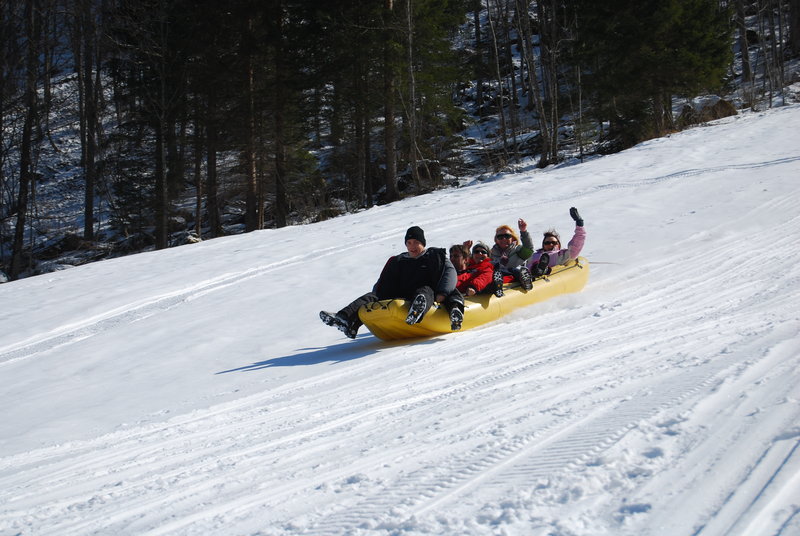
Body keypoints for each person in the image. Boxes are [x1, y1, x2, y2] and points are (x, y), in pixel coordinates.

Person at [321, 226, 463, 339]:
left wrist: (443, 293)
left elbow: (450, 274)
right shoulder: (399, 260)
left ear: (423, 243)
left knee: (424, 291)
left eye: (416, 243)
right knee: (371, 297)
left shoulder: (434, 256)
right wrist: (377, 292)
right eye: (409, 243)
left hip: (428, 291)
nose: (412, 246)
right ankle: (344, 318)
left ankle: (417, 310)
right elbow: (384, 279)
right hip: (400, 293)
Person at [526, 207, 586, 278]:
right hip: (530, 277)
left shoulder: (563, 255)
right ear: (543, 245)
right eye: (547, 243)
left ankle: (542, 270)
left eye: (553, 243)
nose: (550, 244)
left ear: (558, 244)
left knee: (544, 268)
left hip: (550, 277)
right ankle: (535, 271)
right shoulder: (534, 255)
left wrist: (579, 224)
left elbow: (577, 244)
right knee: (530, 266)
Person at [490, 219, 534, 297]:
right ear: (496, 240)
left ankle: (525, 279)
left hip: (515, 279)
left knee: (517, 269)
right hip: (501, 280)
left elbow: (529, 250)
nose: (504, 239)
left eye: (507, 236)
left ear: (512, 238)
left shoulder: (518, 250)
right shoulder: (492, 254)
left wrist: (523, 231)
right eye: (500, 237)